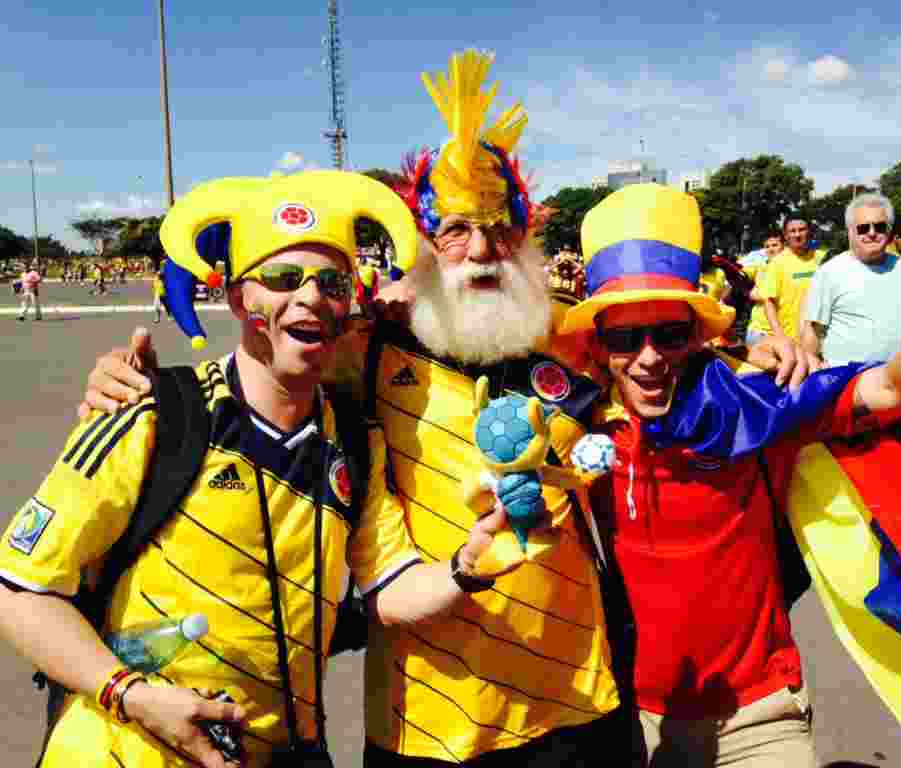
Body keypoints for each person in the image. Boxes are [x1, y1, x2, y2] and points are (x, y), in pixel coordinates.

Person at [78, 50, 815, 767]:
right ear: (423, 243)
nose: (481, 249)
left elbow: (662, 363)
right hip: (429, 723)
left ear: (526, 234)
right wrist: (123, 381)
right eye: (454, 229)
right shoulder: (363, 348)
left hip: (582, 705)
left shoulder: (569, 339)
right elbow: (261, 367)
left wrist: (752, 360)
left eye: (500, 227)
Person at [0, 170, 512, 768]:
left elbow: (390, 583)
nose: (311, 297)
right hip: (123, 751)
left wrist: (464, 568)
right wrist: (132, 696)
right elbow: (20, 589)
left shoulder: (351, 437)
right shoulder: (156, 413)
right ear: (241, 297)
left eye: (331, 282)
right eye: (282, 278)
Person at [559, 183, 901, 767]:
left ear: (699, 336)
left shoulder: (755, 409)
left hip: (763, 720)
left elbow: (893, 389)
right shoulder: (571, 427)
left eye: (670, 334)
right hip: (641, 722)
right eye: (626, 337)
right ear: (598, 346)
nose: (649, 356)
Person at [801, 193, 901, 366]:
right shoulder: (830, 272)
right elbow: (812, 331)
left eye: (879, 227)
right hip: (846, 381)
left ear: (889, 230)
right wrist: (813, 369)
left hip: (896, 377)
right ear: (850, 232)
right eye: (863, 228)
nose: (872, 233)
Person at [756, 217, 822, 341]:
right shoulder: (777, 263)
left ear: (809, 232)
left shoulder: (822, 259)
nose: (797, 234)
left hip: (821, 339)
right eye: (792, 231)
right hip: (791, 339)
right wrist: (780, 336)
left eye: (802, 230)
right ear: (786, 236)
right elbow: (768, 302)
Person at [743, 232, 784, 345]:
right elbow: (740, 274)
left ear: (784, 246)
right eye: (767, 246)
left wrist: (757, 293)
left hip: (780, 333)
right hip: (756, 331)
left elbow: (777, 295)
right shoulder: (760, 266)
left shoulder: (789, 268)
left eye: (775, 245)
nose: (770, 249)